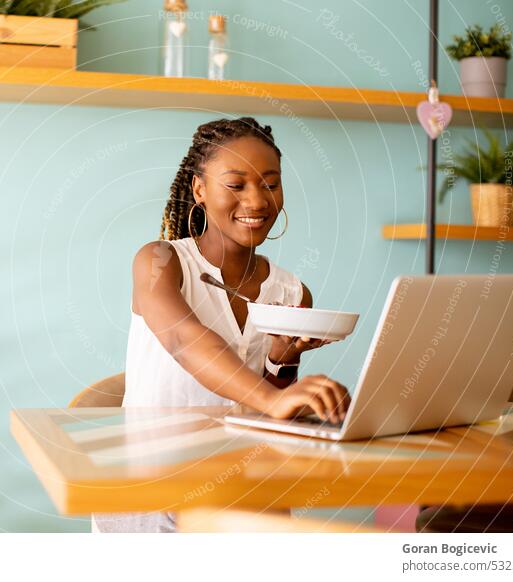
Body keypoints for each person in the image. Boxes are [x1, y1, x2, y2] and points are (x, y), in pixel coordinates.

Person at [92, 117, 350, 533]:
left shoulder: (292, 292)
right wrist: (271, 400)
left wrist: (281, 366)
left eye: (270, 183)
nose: (258, 200)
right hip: (151, 486)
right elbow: (184, 339)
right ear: (199, 189)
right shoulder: (160, 261)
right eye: (236, 184)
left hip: (240, 484)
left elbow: (269, 411)